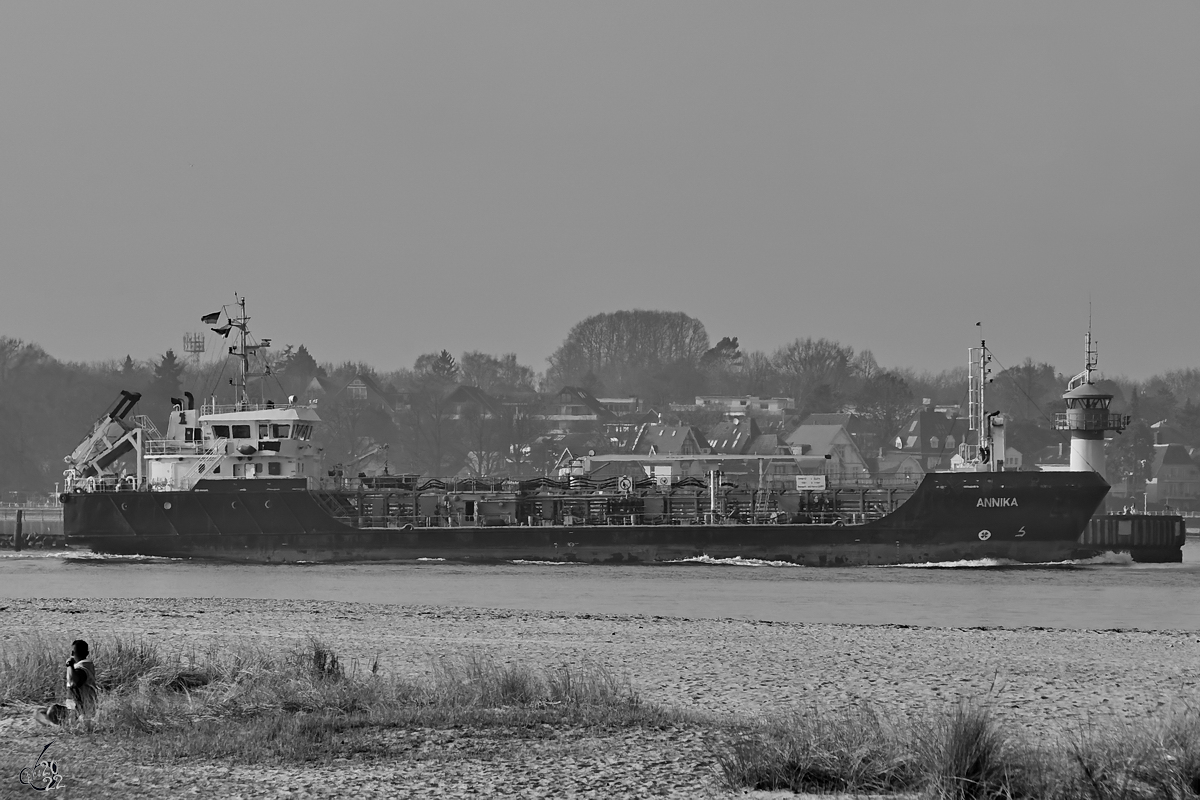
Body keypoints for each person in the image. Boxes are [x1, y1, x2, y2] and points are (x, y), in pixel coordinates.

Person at [34, 640, 97, 726]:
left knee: (51, 711)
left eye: (75, 652)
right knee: (39, 712)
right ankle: (67, 722)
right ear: (87, 653)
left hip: (81, 710)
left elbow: (73, 682)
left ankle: (71, 723)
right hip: (75, 708)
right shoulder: (83, 666)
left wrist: (69, 665)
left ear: (72, 652)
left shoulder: (83, 666)